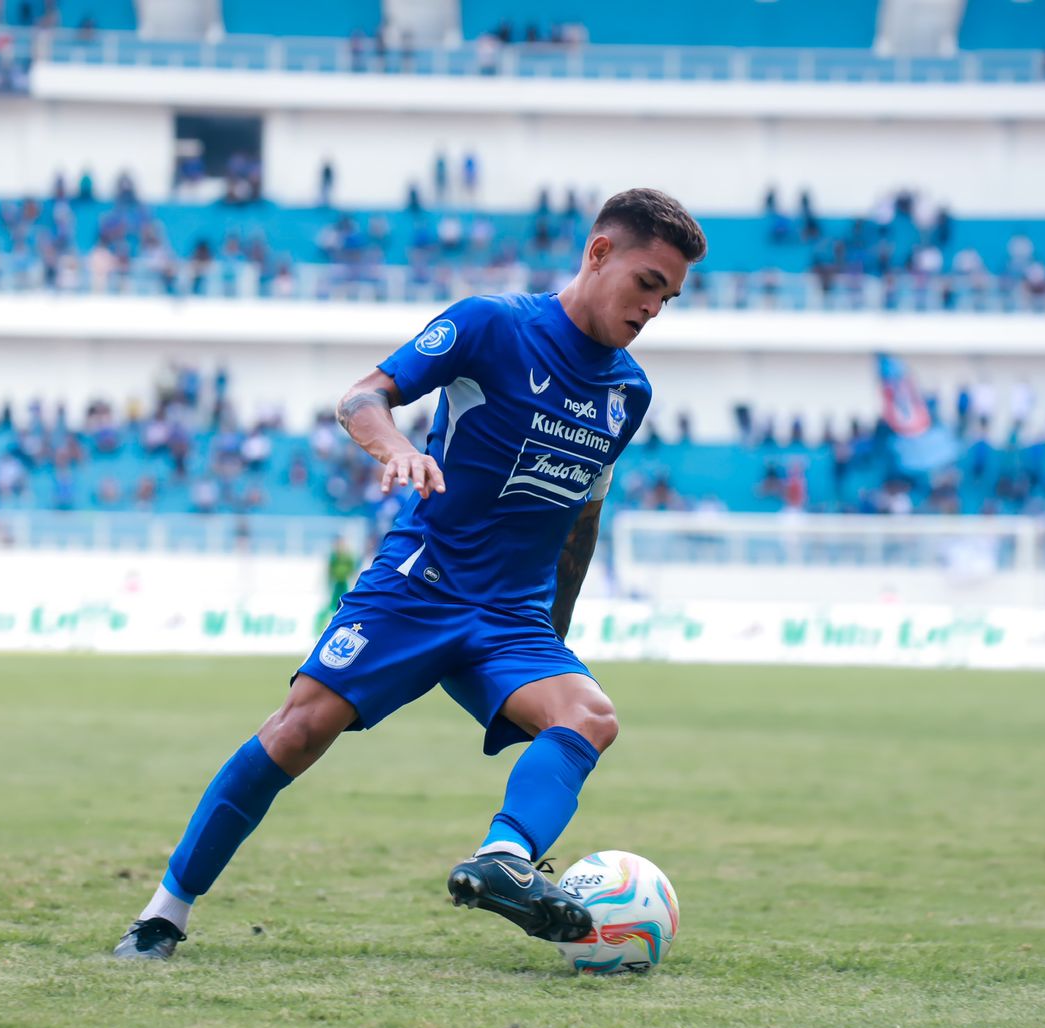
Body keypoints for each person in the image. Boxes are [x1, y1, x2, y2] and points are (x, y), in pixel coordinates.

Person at [114, 188, 707, 961]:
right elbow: (363, 396)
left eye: (670, 295)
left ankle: (503, 861)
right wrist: (394, 446)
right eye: (648, 283)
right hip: (420, 586)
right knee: (299, 730)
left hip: (512, 620)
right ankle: (165, 913)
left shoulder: (629, 392)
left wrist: (552, 633)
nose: (655, 307)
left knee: (589, 716)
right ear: (599, 254)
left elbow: (583, 517)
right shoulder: (493, 325)